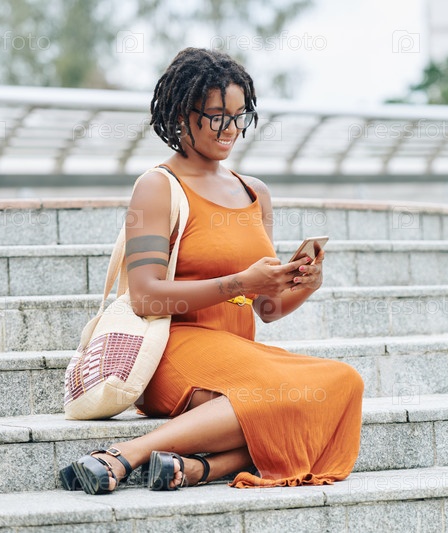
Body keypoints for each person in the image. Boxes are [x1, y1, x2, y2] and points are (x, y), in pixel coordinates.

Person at [60, 47, 364, 494]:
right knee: (279, 394)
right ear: (183, 114)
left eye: (240, 116)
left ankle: (198, 468)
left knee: (343, 383)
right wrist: (240, 282)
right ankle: (127, 455)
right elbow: (145, 296)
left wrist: (303, 284)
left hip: (239, 353)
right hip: (174, 350)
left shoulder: (254, 192)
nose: (231, 129)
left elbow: (267, 309)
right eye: (218, 117)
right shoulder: (157, 186)